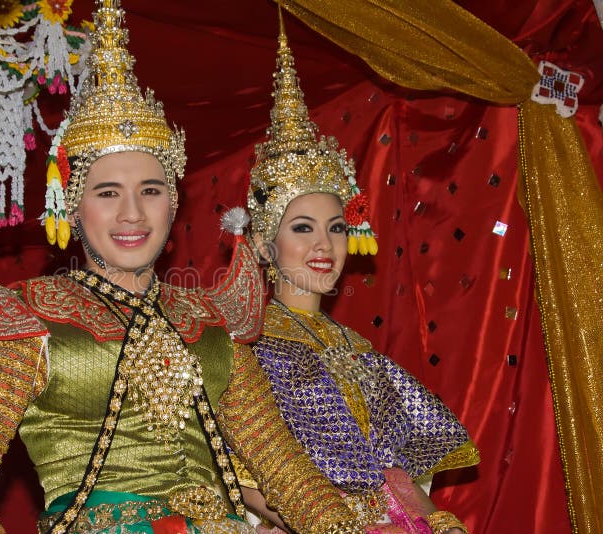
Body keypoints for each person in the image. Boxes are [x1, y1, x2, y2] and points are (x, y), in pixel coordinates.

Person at [0, 1, 375, 533]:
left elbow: (285, 470)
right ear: (69, 205)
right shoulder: (23, 320)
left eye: (151, 191)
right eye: (108, 193)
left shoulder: (212, 321)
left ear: (174, 204)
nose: (132, 214)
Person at [235, 11, 481, 534]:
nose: (325, 246)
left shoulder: (356, 347)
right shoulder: (242, 345)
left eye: (336, 228)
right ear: (261, 242)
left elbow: (398, 472)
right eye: (302, 228)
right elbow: (229, 469)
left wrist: (433, 520)